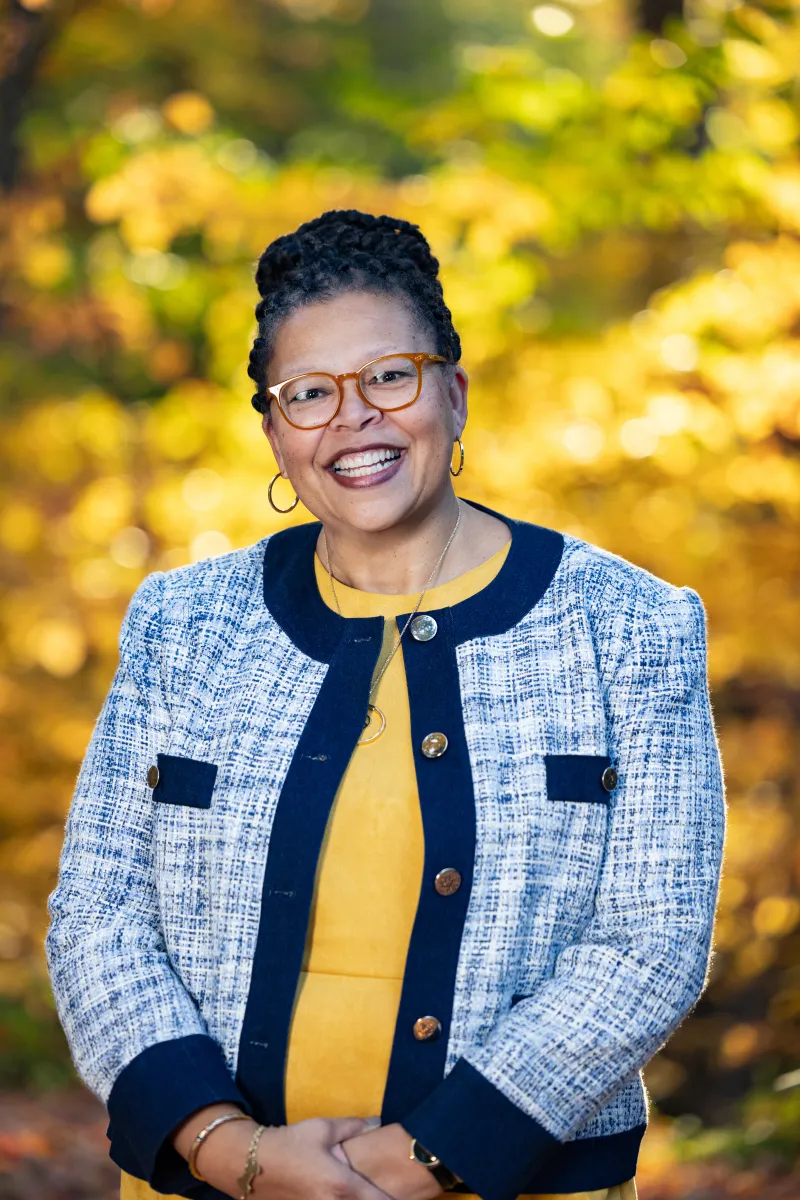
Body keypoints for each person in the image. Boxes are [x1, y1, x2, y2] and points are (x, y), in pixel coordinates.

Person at [45, 209, 726, 1200]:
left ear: (451, 393)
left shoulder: (625, 625)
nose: (351, 418)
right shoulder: (183, 624)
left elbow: (650, 941)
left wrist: (424, 1160)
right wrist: (225, 1148)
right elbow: (97, 915)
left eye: (388, 378)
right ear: (274, 430)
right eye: (310, 394)